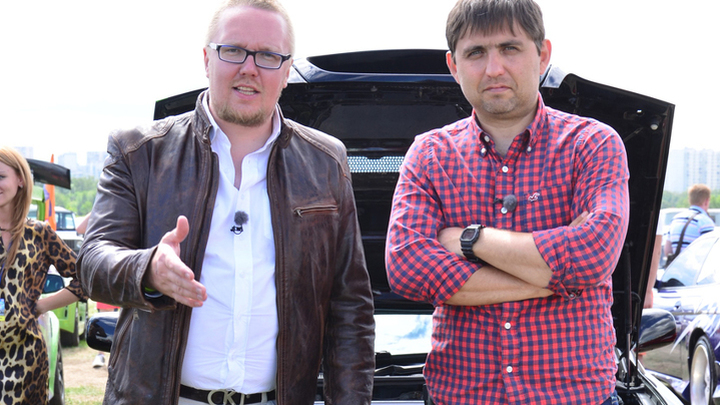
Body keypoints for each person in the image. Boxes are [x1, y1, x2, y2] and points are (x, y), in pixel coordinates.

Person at [77, 1, 375, 404]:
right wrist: (147, 269)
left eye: (268, 55)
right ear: (206, 59)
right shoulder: (138, 151)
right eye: (233, 50)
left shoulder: (326, 162)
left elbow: (351, 308)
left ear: (287, 71)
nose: (249, 68)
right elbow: (92, 262)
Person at [385, 1, 629, 404]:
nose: (494, 68)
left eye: (509, 48)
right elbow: (407, 268)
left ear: (543, 55)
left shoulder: (593, 144)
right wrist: (558, 282)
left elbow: (592, 256)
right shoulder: (429, 155)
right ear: (453, 65)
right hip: (461, 397)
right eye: (476, 53)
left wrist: (469, 240)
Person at [0, 146, 86, 405]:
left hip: (26, 361)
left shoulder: (39, 233)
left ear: (20, 180)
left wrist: (42, 305)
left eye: (1, 176)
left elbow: (85, 279)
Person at [663, 183, 714, 260]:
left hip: (676, 266)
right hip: (695, 266)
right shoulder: (705, 222)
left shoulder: (676, 219)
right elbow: (710, 252)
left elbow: (667, 250)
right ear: (706, 201)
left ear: (690, 199)